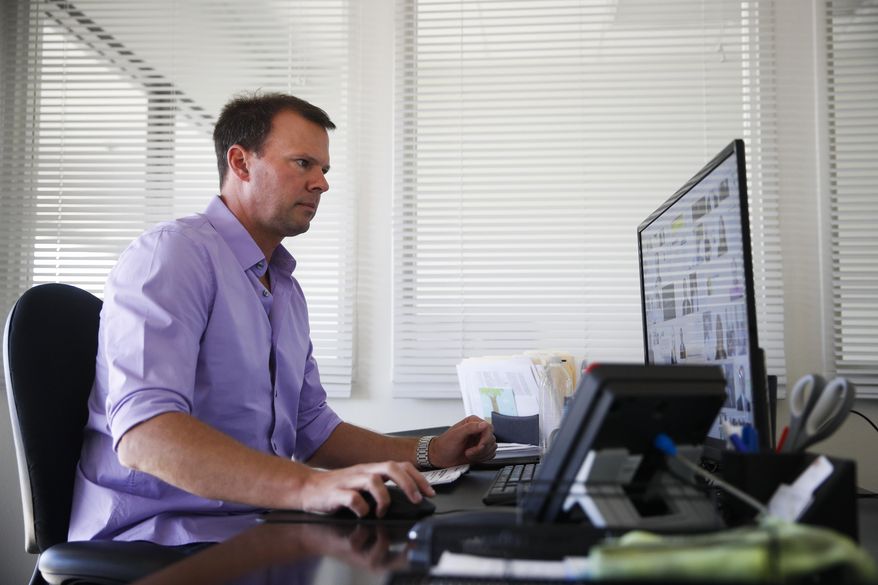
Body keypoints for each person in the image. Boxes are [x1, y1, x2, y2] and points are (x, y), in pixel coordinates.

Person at [68, 92, 496, 545]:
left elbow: (313, 429)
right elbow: (145, 435)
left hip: (259, 527)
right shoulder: (172, 255)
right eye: (303, 163)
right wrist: (310, 486)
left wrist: (431, 452)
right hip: (157, 540)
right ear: (241, 163)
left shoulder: (283, 287)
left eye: (324, 170)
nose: (322, 184)